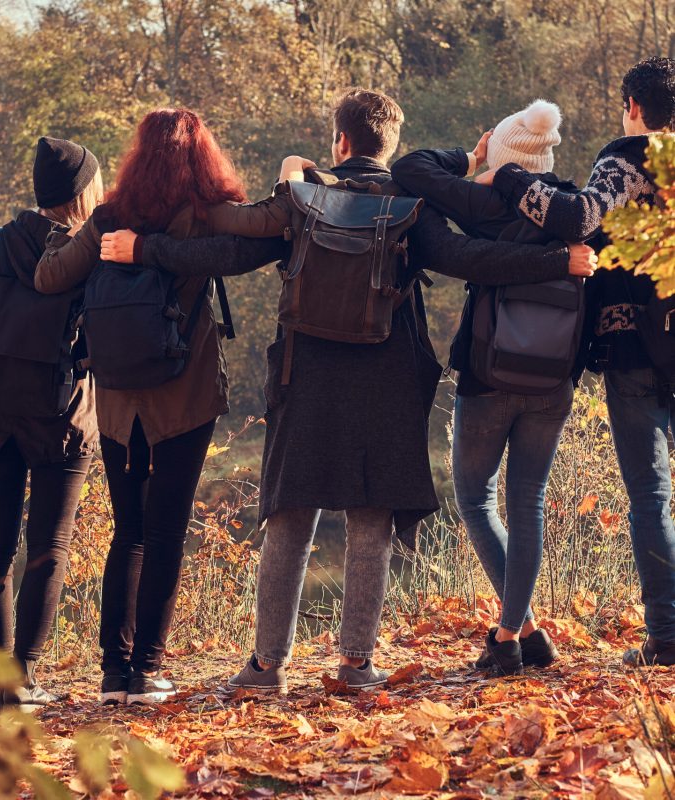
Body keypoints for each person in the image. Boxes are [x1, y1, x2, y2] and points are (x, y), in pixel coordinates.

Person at [100, 88, 597, 693]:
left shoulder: (306, 199)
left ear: (340, 141)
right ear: (387, 145)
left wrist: (146, 246)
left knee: (290, 517)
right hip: (385, 379)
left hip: (305, 377)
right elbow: (475, 259)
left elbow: (228, 251)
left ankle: (265, 665)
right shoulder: (413, 206)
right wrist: (555, 260)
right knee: (370, 520)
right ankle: (356, 664)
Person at [33, 109, 302, 704]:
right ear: (202, 155)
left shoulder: (108, 219)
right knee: (166, 531)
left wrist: (82, 242)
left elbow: (50, 278)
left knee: (128, 531)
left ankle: (113, 673)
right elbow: (273, 223)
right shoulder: (203, 215)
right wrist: (287, 176)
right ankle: (148, 669)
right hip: (184, 397)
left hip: (117, 399)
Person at [482, 57, 675, 668]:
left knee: (651, 496)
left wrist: (509, 177)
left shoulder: (628, 157)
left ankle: (668, 639)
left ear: (633, 105)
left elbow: (577, 218)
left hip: (639, 348)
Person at [392, 100, 577, 674]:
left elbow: (411, 169)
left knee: (476, 498)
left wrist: (472, 157)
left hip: (490, 374)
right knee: (529, 502)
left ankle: (512, 634)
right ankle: (523, 629)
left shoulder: (489, 202)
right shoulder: (572, 207)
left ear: (503, 158)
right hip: (554, 378)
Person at [0, 137, 102, 709]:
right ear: (81, 192)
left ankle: (4, 684)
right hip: (61, 416)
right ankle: (26, 676)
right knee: (48, 546)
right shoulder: (85, 251)